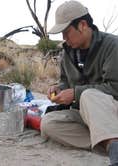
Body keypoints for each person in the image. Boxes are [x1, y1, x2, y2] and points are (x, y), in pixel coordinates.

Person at [40, 1, 118, 166]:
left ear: (82, 25)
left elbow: (115, 88)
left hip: (112, 112)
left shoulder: (113, 46)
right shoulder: (67, 53)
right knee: (48, 124)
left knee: (88, 96)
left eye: (66, 32)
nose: (64, 39)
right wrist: (58, 89)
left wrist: (76, 93)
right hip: (87, 116)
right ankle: (110, 144)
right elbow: (65, 82)